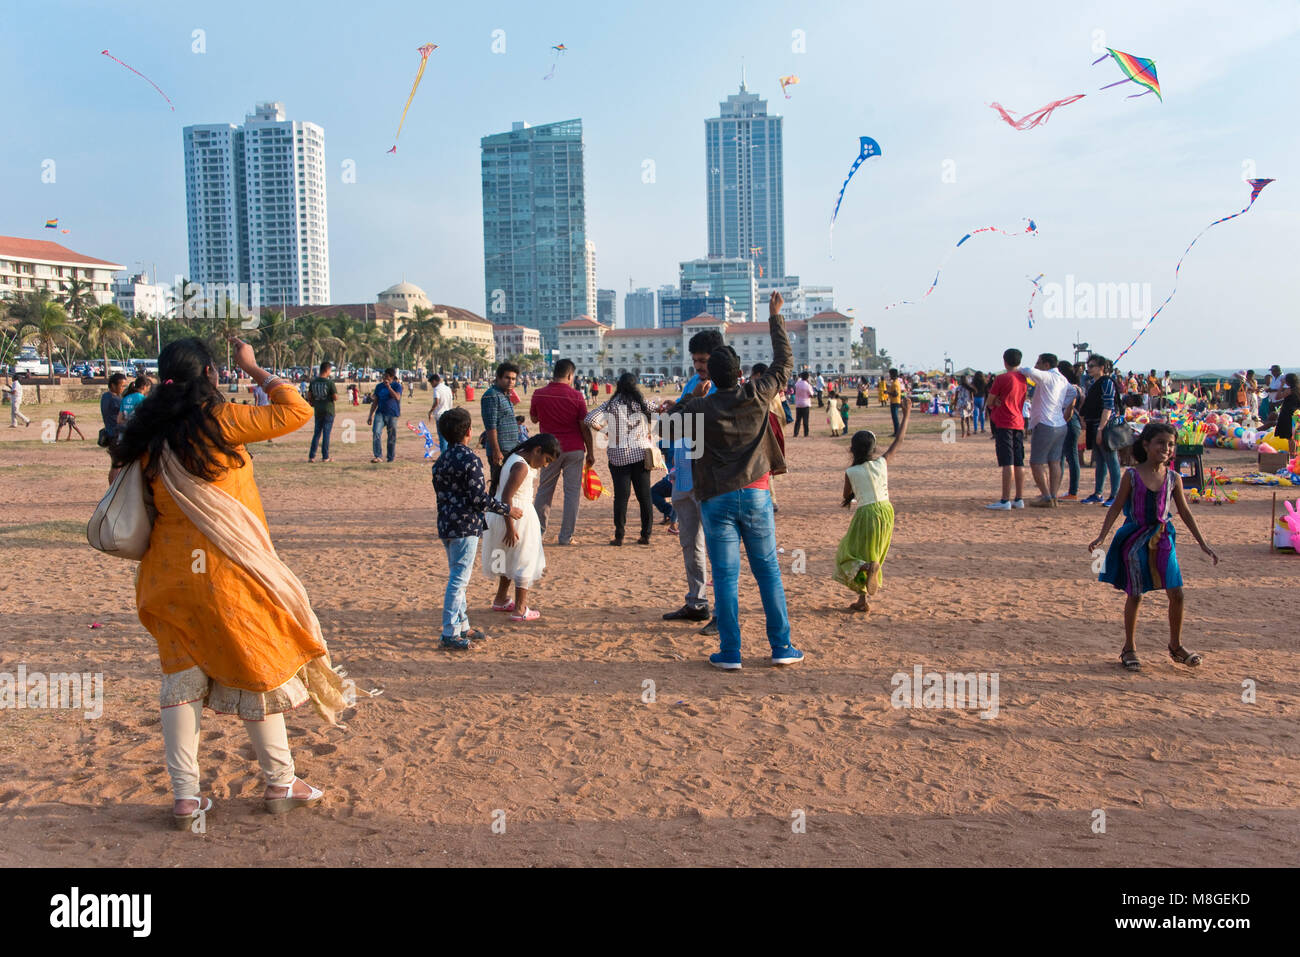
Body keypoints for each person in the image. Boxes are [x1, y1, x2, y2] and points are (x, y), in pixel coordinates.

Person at [112, 336, 349, 828]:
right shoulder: (221, 421)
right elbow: (296, 410)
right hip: (226, 573)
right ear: (212, 376)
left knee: (180, 681)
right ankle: (281, 781)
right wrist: (257, 369)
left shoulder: (147, 433)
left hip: (168, 575)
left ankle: (184, 797)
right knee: (256, 664)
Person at [672, 291, 803, 669]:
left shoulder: (702, 404)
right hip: (757, 492)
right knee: (768, 573)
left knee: (726, 577)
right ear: (741, 370)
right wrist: (774, 317)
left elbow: (666, 428)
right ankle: (781, 647)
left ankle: (731, 652)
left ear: (710, 374)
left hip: (717, 499)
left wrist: (688, 399)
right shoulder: (759, 393)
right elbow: (784, 362)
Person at [1089, 422, 1218, 672]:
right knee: (1135, 594)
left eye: (1170, 444)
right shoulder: (1132, 476)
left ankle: (1176, 645)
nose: (1166, 448)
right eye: (1160, 442)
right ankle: (1129, 648)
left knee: (1176, 592)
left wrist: (1203, 543)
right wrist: (1102, 536)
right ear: (1146, 445)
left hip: (1163, 539)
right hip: (1134, 539)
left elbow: (1185, 512)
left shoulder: (1173, 478)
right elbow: (1116, 507)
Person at [431, 407, 523, 650]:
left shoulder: (441, 460)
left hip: (446, 524)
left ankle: (462, 625)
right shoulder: (470, 459)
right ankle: (450, 632)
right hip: (465, 526)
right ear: (469, 432)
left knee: (457, 575)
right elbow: (479, 499)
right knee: (458, 580)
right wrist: (507, 510)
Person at [658, 328, 724, 629]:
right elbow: (673, 424)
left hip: (708, 478)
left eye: (704, 360)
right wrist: (677, 406)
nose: (699, 366)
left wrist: (684, 410)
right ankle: (697, 602)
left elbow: (699, 424)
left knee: (716, 547)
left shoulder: (724, 389)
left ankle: (722, 612)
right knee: (690, 543)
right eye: (695, 360)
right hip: (683, 474)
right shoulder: (693, 384)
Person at [836, 402, 910, 613]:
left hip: (866, 513)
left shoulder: (851, 472)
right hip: (886, 511)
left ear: (852, 449)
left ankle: (866, 569)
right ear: (874, 448)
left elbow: (846, 496)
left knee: (847, 553)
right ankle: (862, 599)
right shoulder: (881, 463)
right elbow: (900, 439)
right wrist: (906, 414)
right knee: (873, 552)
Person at [482, 432, 559, 621]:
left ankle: (501, 599)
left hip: (503, 516)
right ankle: (520, 608)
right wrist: (510, 527)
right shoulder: (521, 467)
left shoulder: (516, 459)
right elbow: (507, 497)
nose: (546, 465)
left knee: (508, 558)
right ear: (537, 450)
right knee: (525, 559)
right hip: (515, 516)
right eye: (546, 459)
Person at [529, 359, 595, 546]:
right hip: (574, 448)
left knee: (544, 491)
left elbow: (534, 419)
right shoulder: (576, 396)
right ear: (570, 375)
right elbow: (584, 427)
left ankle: (537, 533)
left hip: (548, 450)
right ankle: (566, 536)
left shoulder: (539, 394)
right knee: (572, 494)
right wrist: (590, 451)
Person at [585, 372, 654, 546]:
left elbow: (589, 418)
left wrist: (604, 431)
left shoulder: (611, 404)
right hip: (640, 455)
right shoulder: (641, 403)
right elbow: (659, 409)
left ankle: (619, 536)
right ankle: (646, 535)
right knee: (644, 497)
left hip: (618, 457)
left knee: (621, 498)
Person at [1017, 353, 1071, 507]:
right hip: (1060, 423)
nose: (1036, 365)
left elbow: (1029, 370)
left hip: (1045, 423)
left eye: (1038, 362)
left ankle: (1046, 496)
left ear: (1046, 365)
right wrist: (1060, 405)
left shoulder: (1048, 376)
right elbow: (1073, 393)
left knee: (1036, 462)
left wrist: (1017, 368)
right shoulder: (1063, 379)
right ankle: (1053, 495)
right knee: (1054, 461)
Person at [984, 350, 1028, 510]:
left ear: (1005, 361)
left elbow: (990, 400)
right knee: (1019, 460)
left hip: (1004, 421)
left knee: (1007, 461)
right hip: (1018, 421)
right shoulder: (1023, 379)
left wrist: (995, 403)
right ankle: (1019, 497)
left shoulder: (1002, 378)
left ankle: (1005, 499)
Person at [1080, 354, 1121, 505]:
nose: (1088, 369)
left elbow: (1108, 407)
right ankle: (1098, 493)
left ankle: (1116, 495)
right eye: (1088, 366)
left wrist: (1101, 429)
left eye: (1092, 366)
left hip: (1105, 425)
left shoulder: (1107, 383)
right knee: (1100, 461)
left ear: (1101, 368)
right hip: (1095, 424)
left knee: (1111, 460)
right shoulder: (1093, 383)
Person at [481, 362, 521, 491]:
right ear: (498, 377)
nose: (511, 381)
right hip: (500, 450)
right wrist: (496, 450)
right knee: (498, 487)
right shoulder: (491, 395)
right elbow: (490, 426)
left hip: (510, 449)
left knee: (506, 486)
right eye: (507, 378)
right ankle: (493, 512)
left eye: (513, 379)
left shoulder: (504, 395)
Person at [1057, 360, 1084, 501]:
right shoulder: (1078, 387)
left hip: (1068, 421)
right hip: (1074, 422)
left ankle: (1072, 491)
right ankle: (1058, 489)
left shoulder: (1069, 388)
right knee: (1065, 457)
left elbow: (1069, 409)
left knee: (1069, 457)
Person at [366, 368, 402, 463]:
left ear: (392, 377)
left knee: (391, 436)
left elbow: (397, 397)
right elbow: (375, 401)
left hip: (392, 414)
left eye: (387, 376)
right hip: (380, 413)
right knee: (376, 432)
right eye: (384, 376)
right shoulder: (379, 387)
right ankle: (378, 456)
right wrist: (370, 415)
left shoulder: (397, 386)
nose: (384, 378)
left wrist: (389, 387)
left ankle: (390, 457)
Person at [307, 361, 337, 463]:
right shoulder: (329, 383)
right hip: (328, 410)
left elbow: (309, 396)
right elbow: (335, 397)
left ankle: (312, 456)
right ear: (327, 370)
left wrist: (313, 402)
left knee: (316, 433)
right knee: (326, 434)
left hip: (318, 410)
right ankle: (325, 457)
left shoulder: (313, 382)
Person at [102, 372, 128, 483]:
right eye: (121, 385)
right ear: (113, 385)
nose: (123, 388)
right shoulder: (116, 400)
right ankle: (114, 491)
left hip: (109, 433)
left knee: (114, 465)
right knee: (118, 465)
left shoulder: (105, 397)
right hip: (116, 435)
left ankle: (111, 489)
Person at [425, 373, 455, 454]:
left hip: (440, 415)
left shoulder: (437, 389)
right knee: (448, 436)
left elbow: (436, 402)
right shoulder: (447, 388)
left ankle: (444, 456)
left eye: (431, 383)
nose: (431, 385)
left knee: (442, 437)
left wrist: (430, 411)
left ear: (434, 381)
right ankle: (449, 454)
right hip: (449, 413)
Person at [1273, 373, 1299, 455]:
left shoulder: (1290, 390)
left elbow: (1277, 397)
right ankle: (1293, 453)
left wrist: (1281, 385)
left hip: (1288, 413)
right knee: (1294, 435)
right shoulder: (1298, 389)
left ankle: (1292, 454)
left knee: (1290, 436)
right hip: (1296, 413)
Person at [792, 371, 813, 437]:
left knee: (798, 420)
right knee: (805, 420)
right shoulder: (807, 385)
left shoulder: (797, 384)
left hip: (798, 403)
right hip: (806, 404)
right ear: (807, 377)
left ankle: (796, 433)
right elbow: (811, 394)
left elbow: (794, 391)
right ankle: (806, 433)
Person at [886, 369, 904, 436]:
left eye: (890, 374)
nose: (889, 376)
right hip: (894, 401)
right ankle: (896, 432)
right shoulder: (895, 381)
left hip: (895, 402)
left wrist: (888, 392)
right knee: (895, 417)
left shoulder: (895, 383)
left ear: (893, 374)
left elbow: (895, 394)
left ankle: (897, 432)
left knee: (895, 417)